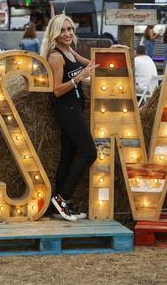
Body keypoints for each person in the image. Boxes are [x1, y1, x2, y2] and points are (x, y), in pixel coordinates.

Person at [41, 14, 99, 221]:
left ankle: (58, 205)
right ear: (55, 33)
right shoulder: (56, 56)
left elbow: (93, 63)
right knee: (89, 152)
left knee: (68, 154)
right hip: (66, 108)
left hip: (75, 107)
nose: (67, 34)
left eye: (70, 29)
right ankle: (62, 197)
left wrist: (116, 51)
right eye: (63, 30)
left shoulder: (69, 50)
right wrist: (80, 78)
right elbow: (56, 90)